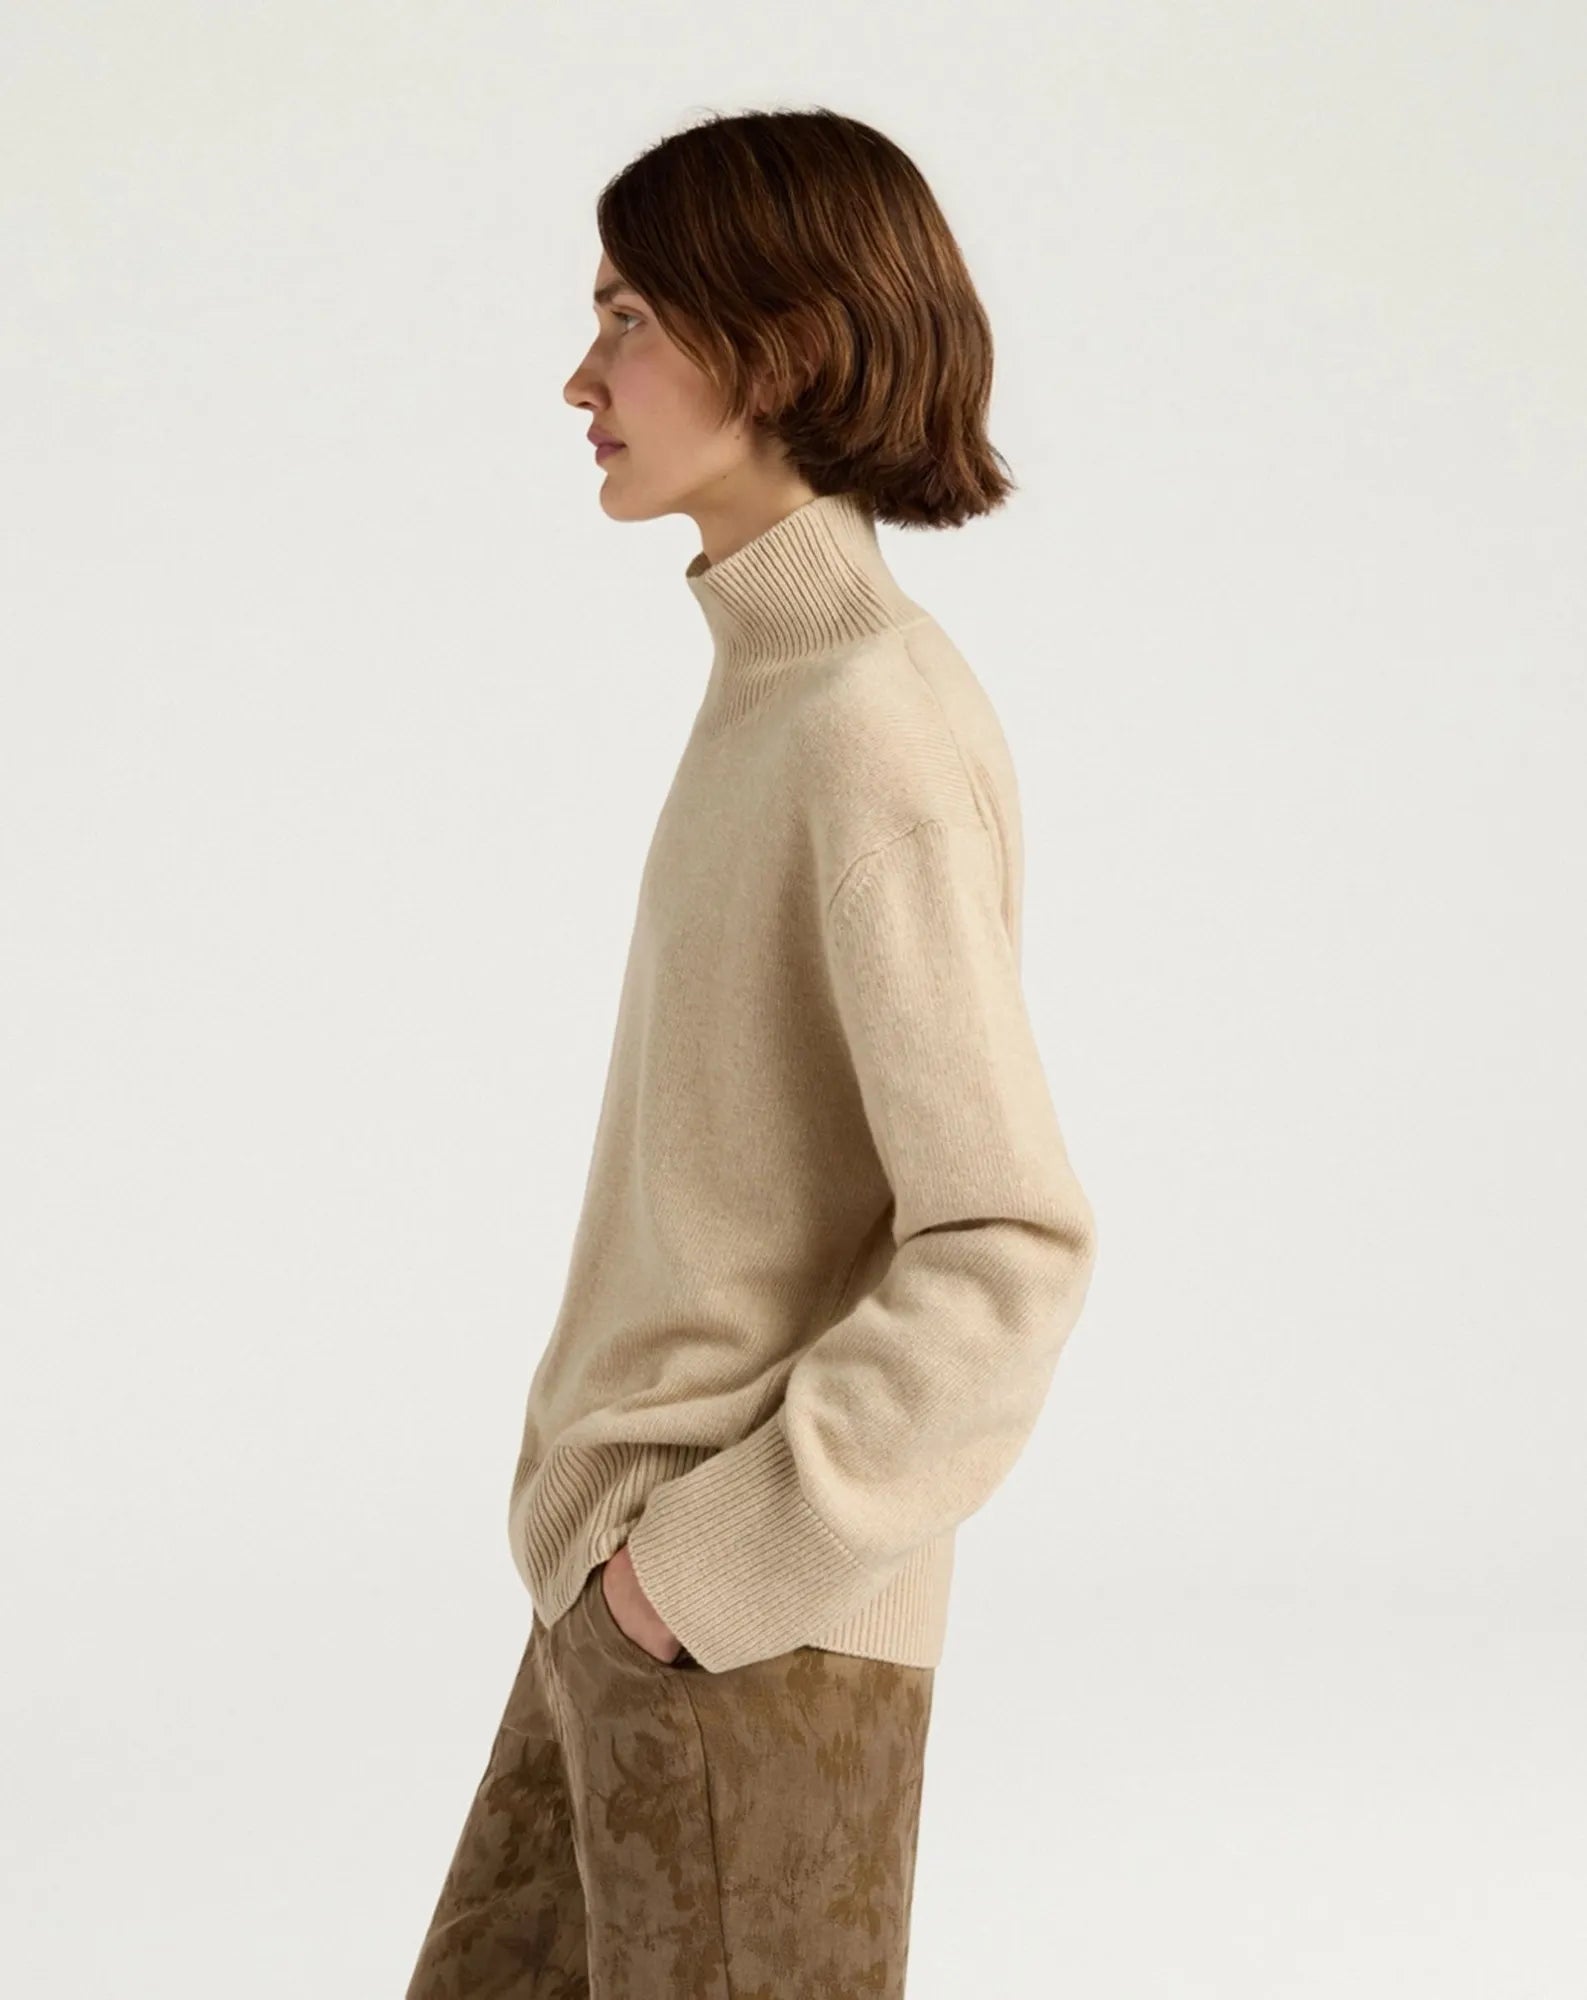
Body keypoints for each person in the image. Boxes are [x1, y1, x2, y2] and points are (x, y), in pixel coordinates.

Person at [405, 105, 1099, 1998]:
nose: (581, 378)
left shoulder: (872, 728)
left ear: (778, 349)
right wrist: (615, 1585)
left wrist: (699, 1574)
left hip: (739, 1629)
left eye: (627, 318)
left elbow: (1007, 1248)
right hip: (631, 1599)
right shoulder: (778, 696)